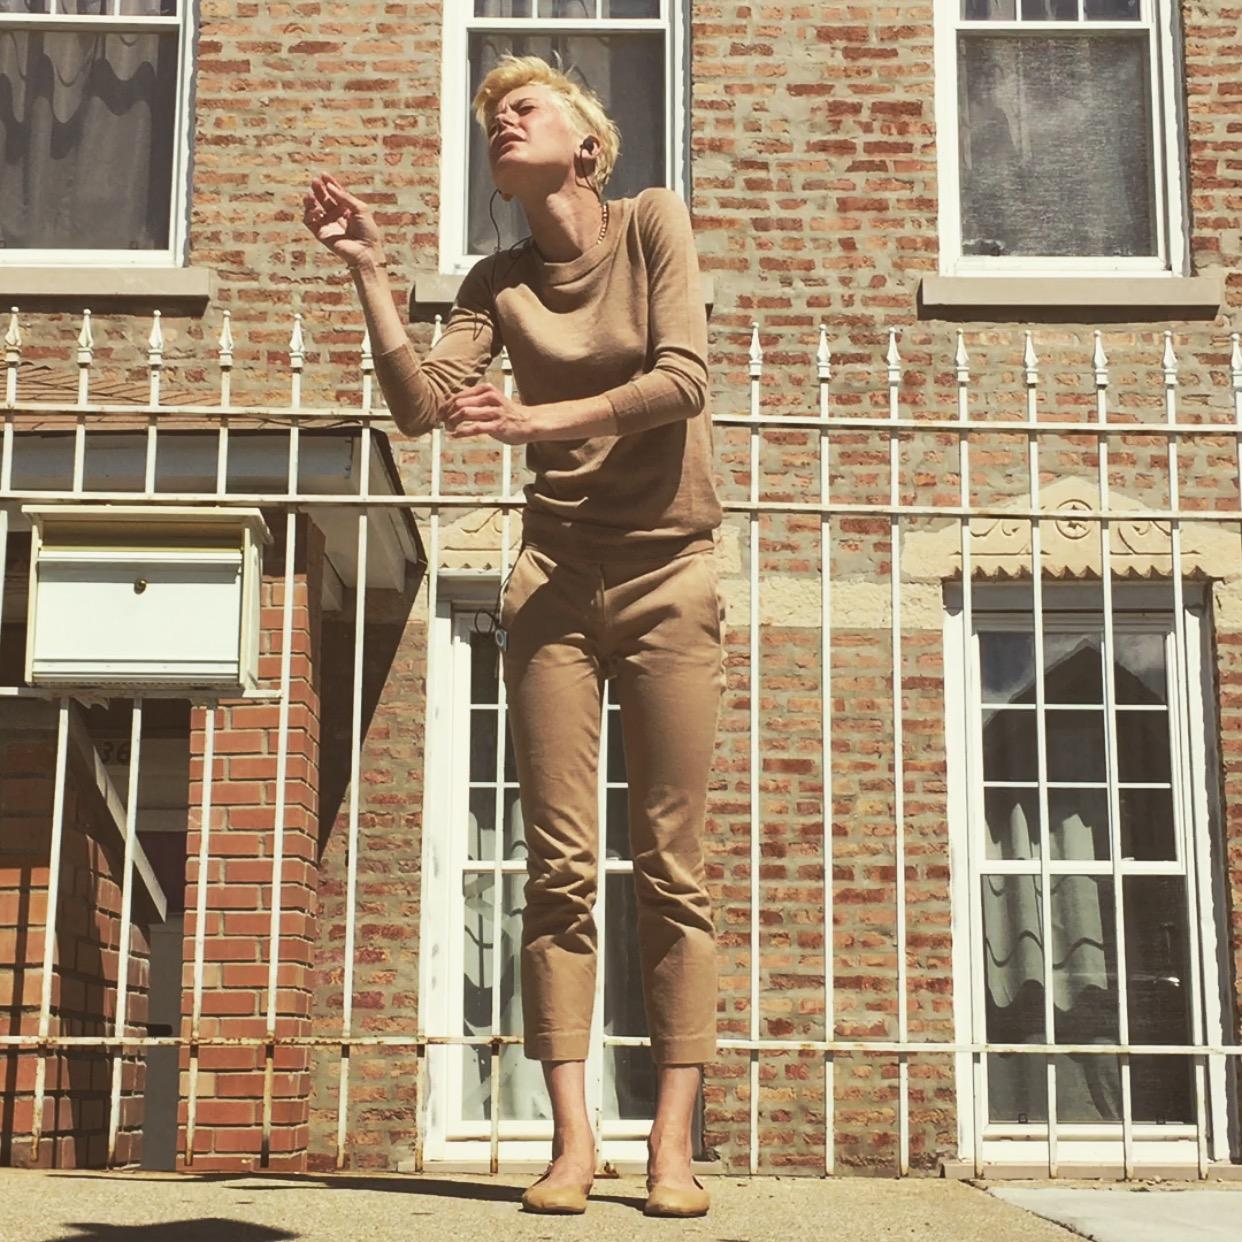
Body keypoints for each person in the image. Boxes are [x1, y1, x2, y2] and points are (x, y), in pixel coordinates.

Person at [303, 53, 724, 1218]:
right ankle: (574, 1143)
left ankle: (674, 1148)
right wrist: (374, 274)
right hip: (552, 580)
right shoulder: (497, 279)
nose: (501, 119)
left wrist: (548, 417)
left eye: (522, 108)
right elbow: (422, 406)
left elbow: (685, 378)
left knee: (675, 869)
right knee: (558, 870)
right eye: (491, 114)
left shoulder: (651, 225)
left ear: (585, 144)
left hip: (668, 572)